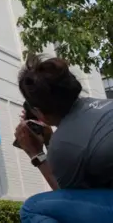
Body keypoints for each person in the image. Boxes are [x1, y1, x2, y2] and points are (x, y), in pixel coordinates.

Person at [13, 55, 113, 222]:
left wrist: (36, 154)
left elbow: (69, 202)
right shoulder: (106, 105)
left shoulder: (64, 144)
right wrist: (50, 141)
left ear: (38, 111)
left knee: (32, 209)